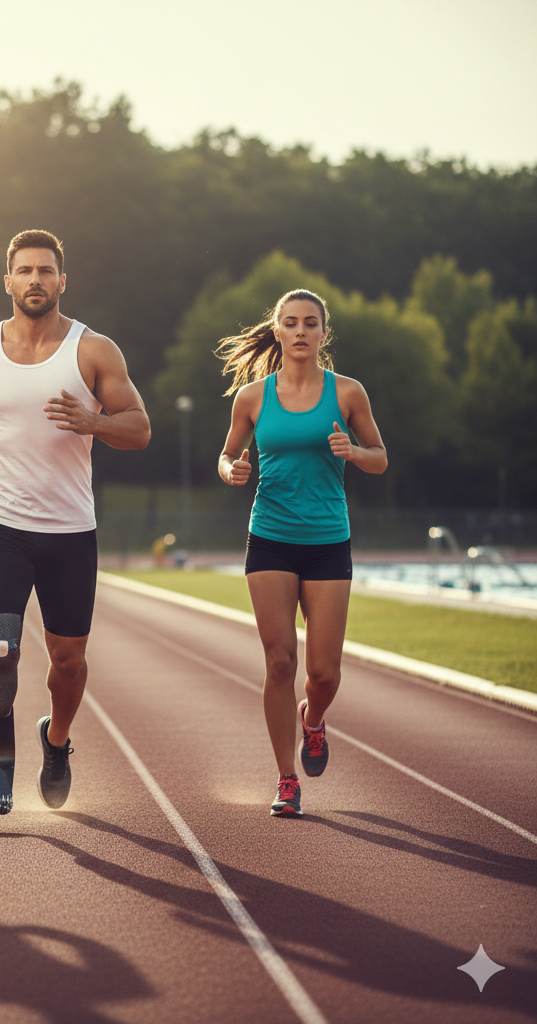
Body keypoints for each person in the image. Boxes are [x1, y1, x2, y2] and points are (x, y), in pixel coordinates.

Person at [0, 230, 150, 815]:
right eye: (24, 271)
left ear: (61, 281)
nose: (35, 280)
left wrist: (92, 422)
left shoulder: (94, 351)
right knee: (1, 645)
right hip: (0, 524)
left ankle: (55, 740)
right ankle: (3, 761)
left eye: (45, 271)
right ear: (8, 281)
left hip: (71, 531)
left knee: (68, 659)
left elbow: (140, 428)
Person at [217, 289, 387, 817]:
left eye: (309, 323)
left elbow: (380, 459)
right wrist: (233, 471)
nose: (299, 331)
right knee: (279, 660)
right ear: (277, 330)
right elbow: (225, 457)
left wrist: (354, 452)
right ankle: (286, 778)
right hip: (269, 535)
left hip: (327, 540)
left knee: (325, 674)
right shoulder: (251, 397)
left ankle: (312, 723)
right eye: (289, 323)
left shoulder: (348, 393)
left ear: (322, 334)